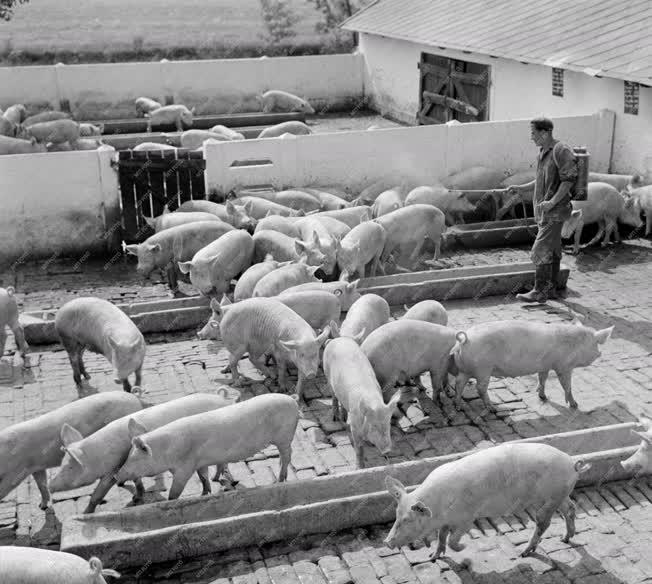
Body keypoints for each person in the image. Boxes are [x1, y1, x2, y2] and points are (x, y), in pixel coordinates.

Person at [508, 117, 578, 303]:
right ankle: (551, 289)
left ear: (545, 132)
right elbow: (541, 180)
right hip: (546, 212)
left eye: (533, 133)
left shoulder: (561, 150)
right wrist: (521, 188)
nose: (531, 138)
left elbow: (569, 180)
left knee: (540, 250)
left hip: (555, 211)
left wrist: (552, 202)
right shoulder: (543, 153)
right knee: (552, 250)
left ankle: (539, 291)